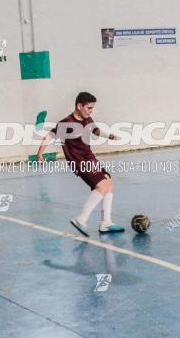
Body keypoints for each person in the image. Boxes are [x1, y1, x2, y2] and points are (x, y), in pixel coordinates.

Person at [36, 92, 124, 236]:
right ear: (79, 106)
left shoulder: (87, 118)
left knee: (109, 183)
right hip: (79, 161)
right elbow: (50, 136)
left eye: (92, 108)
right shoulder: (66, 123)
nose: (91, 111)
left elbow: (95, 130)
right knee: (101, 186)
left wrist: (109, 136)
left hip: (90, 158)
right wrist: (40, 153)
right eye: (89, 108)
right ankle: (81, 219)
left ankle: (106, 223)